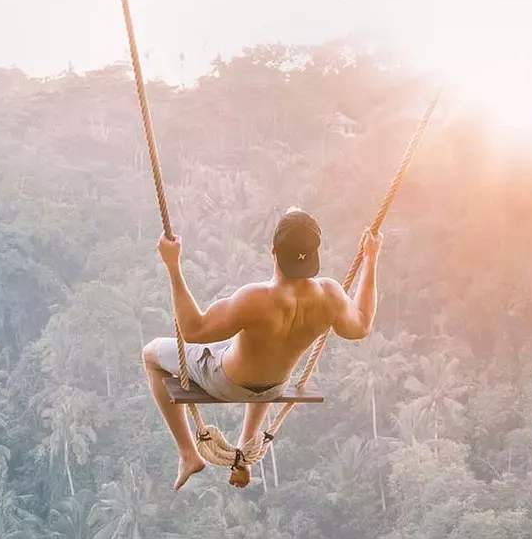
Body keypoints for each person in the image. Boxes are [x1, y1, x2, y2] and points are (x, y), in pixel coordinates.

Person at [142, 208, 382, 490]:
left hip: (224, 382)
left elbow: (193, 330)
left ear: (273, 252)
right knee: (251, 352)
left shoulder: (255, 298)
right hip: (275, 386)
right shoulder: (330, 295)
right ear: (314, 256)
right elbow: (362, 324)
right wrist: (371, 258)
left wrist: (173, 266)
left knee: (151, 354)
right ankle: (244, 457)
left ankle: (187, 454)